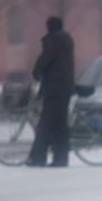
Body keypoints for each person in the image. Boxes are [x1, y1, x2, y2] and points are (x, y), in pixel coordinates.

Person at [26, 16, 75, 167]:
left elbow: (44, 59)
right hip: (64, 88)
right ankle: (61, 158)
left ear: (50, 27)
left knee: (45, 125)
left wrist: (36, 71)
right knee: (59, 125)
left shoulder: (54, 40)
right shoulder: (66, 39)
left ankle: (38, 158)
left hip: (54, 89)